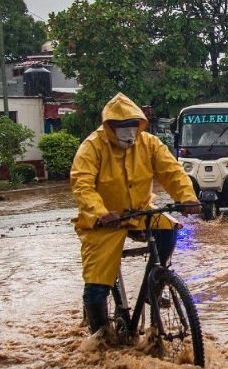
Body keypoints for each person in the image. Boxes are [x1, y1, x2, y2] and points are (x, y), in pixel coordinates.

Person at [70, 93, 201, 334]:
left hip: (141, 212)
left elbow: (172, 171)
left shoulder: (149, 143)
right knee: (97, 284)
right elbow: (82, 184)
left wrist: (187, 198)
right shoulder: (92, 146)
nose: (129, 132)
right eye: (122, 127)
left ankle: (157, 284)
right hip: (104, 221)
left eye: (133, 126)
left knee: (169, 228)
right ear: (110, 127)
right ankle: (100, 339)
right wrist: (100, 212)